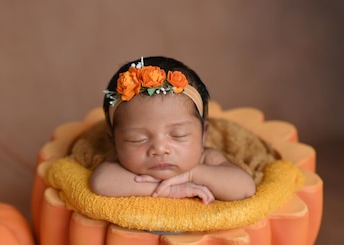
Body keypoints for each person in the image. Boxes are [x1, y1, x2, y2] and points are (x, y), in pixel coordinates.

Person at [89, 56, 257, 204]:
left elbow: (245, 188)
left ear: (204, 134)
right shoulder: (121, 162)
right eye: (137, 138)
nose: (160, 149)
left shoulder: (206, 158)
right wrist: (168, 190)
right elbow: (101, 182)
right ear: (114, 140)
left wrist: (192, 175)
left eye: (179, 135)